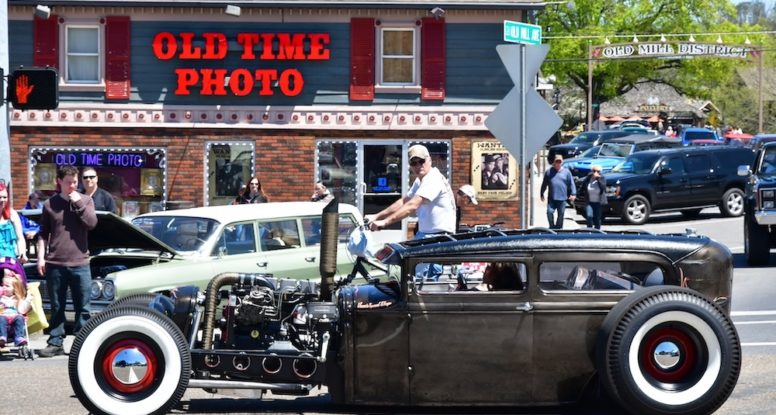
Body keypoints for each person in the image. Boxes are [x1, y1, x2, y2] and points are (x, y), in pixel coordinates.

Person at [366, 144, 456, 280]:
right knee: (412, 276)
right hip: (426, 235)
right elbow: (405, 201)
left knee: (422, 283)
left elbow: (412, 206)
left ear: (429, 160)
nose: (418, 165)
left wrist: (384, 223)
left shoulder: (433, 179)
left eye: (421, 161)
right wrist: (377, 216)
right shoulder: (420, 180)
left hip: (437, 238)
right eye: (414, 162)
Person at [36, 165, 98, 358]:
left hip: (80, 262)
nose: (72, 186)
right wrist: (40, 258)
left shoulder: (86, 200)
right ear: (59, 182)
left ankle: (81, 343)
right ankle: (55, 341)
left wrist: (78, 203)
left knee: (83, 307)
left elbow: (92, 223)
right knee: (57, 306)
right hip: (56, 263)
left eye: (74, 182)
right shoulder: (49, 204)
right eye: (68, 182)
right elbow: (43, 234)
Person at [0, 182, 28, 284]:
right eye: (0, 197)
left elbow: (20, 238)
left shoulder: (12, 214)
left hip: (10, 262)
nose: (2, 200)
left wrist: (22, 253)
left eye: (4, 197)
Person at [540, 155, 576, 229]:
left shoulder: (567, 172)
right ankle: (552, 227)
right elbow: (544, 184)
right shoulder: (549, 172)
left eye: (560, 161)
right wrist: (542, 193)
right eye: (557, 161)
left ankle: (559, 228)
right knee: (549, 212)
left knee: (561, 214)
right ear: (554, 162)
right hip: (552, 198)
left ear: (562, 162)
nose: (558, 163)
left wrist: (573, 194)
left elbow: (571, 183)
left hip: (562, 199)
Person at [0, 271, 31, 348]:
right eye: (2, 285)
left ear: (14, 289)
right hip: (3, 320)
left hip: (14, 322)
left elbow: (22, 310)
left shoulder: (18, 300)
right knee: (1, 318)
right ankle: (2, 337)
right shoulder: (1, 299)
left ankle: (18, 337)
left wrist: (28, 300)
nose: (4, 287)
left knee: (20, 317)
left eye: (7, 286)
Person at [578, 164, 607, 229]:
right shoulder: (588, 178)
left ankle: (597, 231)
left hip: (598, 202)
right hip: (589, 202)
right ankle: (589, 229)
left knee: (597, 218)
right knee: (589, 216)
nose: (596, 173)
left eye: (598, 171)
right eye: (594, 171)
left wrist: (598, 179)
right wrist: (577, 195)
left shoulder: (602, 178)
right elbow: (582, 188)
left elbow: (603, 188)